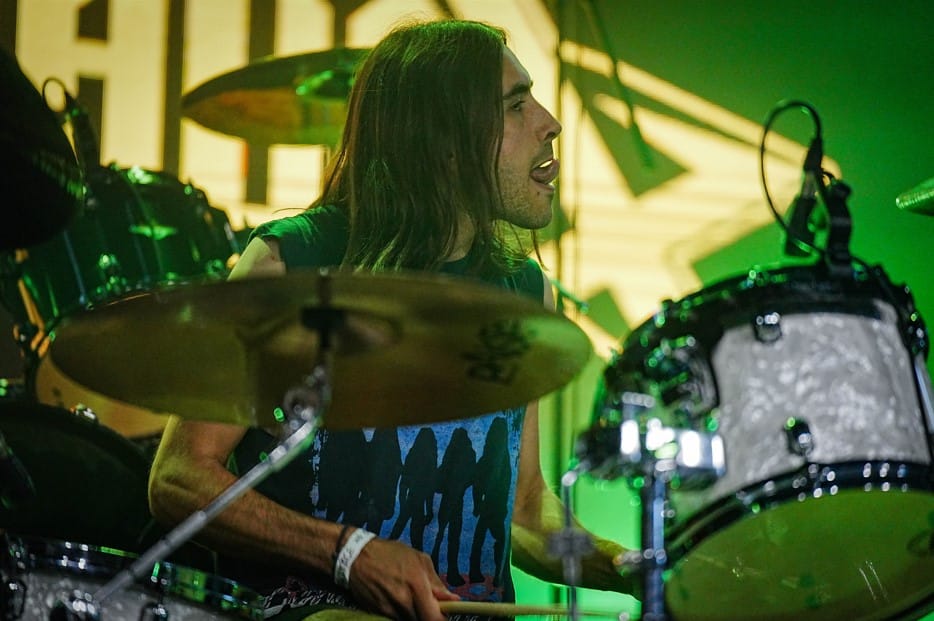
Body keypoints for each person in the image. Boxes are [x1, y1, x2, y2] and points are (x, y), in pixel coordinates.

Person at [148, 18, 639, 621]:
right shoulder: (292, 263)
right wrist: (347, 553)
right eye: (515, 106)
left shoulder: (524, 291)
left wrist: (623, 564)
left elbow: (526, 511)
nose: (550, 122)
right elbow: (179, 476)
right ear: (445, 141)